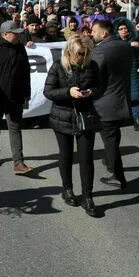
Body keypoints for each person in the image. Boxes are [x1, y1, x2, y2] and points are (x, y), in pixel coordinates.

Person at [43, 35, 102, 217]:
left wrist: (92, 91)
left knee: (86, 158)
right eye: (79, 54)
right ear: (70, 51)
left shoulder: (91, 66)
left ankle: (88, 196)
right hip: (63, 116)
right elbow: (48, 91)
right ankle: (67, 189)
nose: (82, 58)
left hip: (85, 116)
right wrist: (68, 92)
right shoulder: (58, 66)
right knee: (66, 155)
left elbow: (100, 86)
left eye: (86, 54)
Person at [0, 20, 32, 174]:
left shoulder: (20, 48)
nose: (18, 36)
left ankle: (19, 163)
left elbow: (25, 72)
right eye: (15, 33)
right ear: (5, 34)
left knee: (15, 128)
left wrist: (26, 93)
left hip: (15, 97)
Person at [90, 20, 131, 189]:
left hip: (105, 103)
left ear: (104, 33)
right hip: (122, 99)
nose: (91, 34)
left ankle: (117, 175)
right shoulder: (125, 46)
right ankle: (109, 161)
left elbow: (93, 75)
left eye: (93, 31)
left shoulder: (100, 51)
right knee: (114, 136)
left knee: (110, 140)